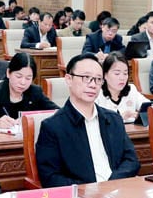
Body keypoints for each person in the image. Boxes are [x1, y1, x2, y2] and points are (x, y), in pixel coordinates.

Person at [35, 53, 140, 187]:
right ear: (68, 79)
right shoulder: (53, 127)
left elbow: (131, 161)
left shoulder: (113, 119)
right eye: (86, 78)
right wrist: (90, 190)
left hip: (118, 192)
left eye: (98, 79)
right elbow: (50, 177)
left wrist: (110, 185)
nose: (93, 85)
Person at [0, 52, 57, 128]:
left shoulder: (35, 92)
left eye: (28, 78)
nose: (23, 82)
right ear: (8, 73)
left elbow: (57, 112)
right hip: (1, 143)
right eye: (18, 76)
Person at [96, 52, 148, 124]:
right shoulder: (97, 93)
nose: (122, 78)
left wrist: (140, 115)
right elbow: (95, 121)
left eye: (125, 73)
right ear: (105, 75)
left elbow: (148, 106)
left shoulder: (131, 89)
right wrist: (120, 117)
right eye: (117, 74)